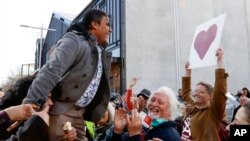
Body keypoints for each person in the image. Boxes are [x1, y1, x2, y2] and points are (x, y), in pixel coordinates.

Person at [22, 9, 112, 140]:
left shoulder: (98, 50)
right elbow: (50, 71)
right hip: (61, 113)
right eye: (107, 24)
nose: (110, 30)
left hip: (80, 114)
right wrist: (30, 104)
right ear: (94, 24)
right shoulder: (74, 41)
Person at [181, 48, 228, 141]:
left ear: (210, 96)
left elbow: (220, 92)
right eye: (195, 91)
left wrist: (219, 62)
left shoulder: (214, 112)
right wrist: (188, 71)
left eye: (201, 92)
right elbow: (186, 92)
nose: (196, 94)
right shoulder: (193, 107)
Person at [106, 86, 182, 141]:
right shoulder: (146, 128)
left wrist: (134, 135)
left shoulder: (171, 136)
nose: (154, 104)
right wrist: (117, 131)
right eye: (152, 100)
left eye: (160, 102)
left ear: (170, 110)